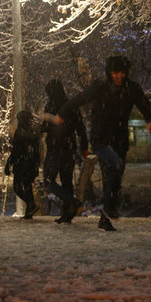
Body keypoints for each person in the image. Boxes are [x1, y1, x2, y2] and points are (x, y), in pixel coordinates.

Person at [51, 56, 151, 231]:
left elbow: (144, 105)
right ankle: (107, 207)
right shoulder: (99, 88)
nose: (119, 76)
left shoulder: (131, 89)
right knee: (114, 165)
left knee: (114, 176)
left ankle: (105, 215)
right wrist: (62, 112)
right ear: (109, 73)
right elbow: (79, 100)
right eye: (115, 73)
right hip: (100, 138)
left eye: (122, 73)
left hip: (120, 139)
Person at [40, 79, 88, 224]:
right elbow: (81, 127)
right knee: (67, 180)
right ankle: (67, 214)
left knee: (48, 181)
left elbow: (47, 127)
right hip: (69, 148)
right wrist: (84, 146)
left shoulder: (51, 105)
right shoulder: (71, 106)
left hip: (55, 148)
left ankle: (72, 202)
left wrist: (39, 127)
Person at [4, 110, 40, 219]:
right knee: (27, 186)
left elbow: (16, 151)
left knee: (17, 187)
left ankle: (31, 205)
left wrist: (9, 163)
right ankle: (30, 210)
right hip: (31, 163)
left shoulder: (20, 132)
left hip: (22, 164)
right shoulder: (33, 132)